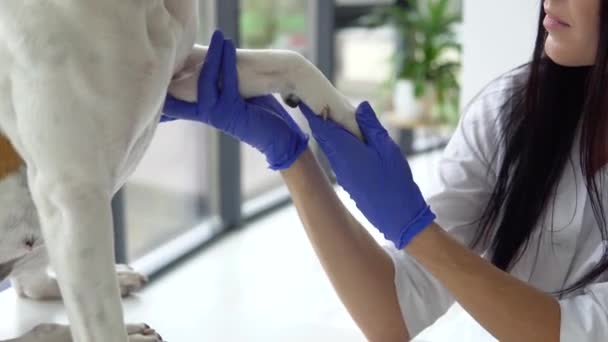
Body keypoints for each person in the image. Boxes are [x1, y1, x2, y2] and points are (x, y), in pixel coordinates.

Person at [161, 1, 607, 340]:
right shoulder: (516, 108)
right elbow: (393, 312)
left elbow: (573, 331)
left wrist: (417, 231)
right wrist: (293, 157)